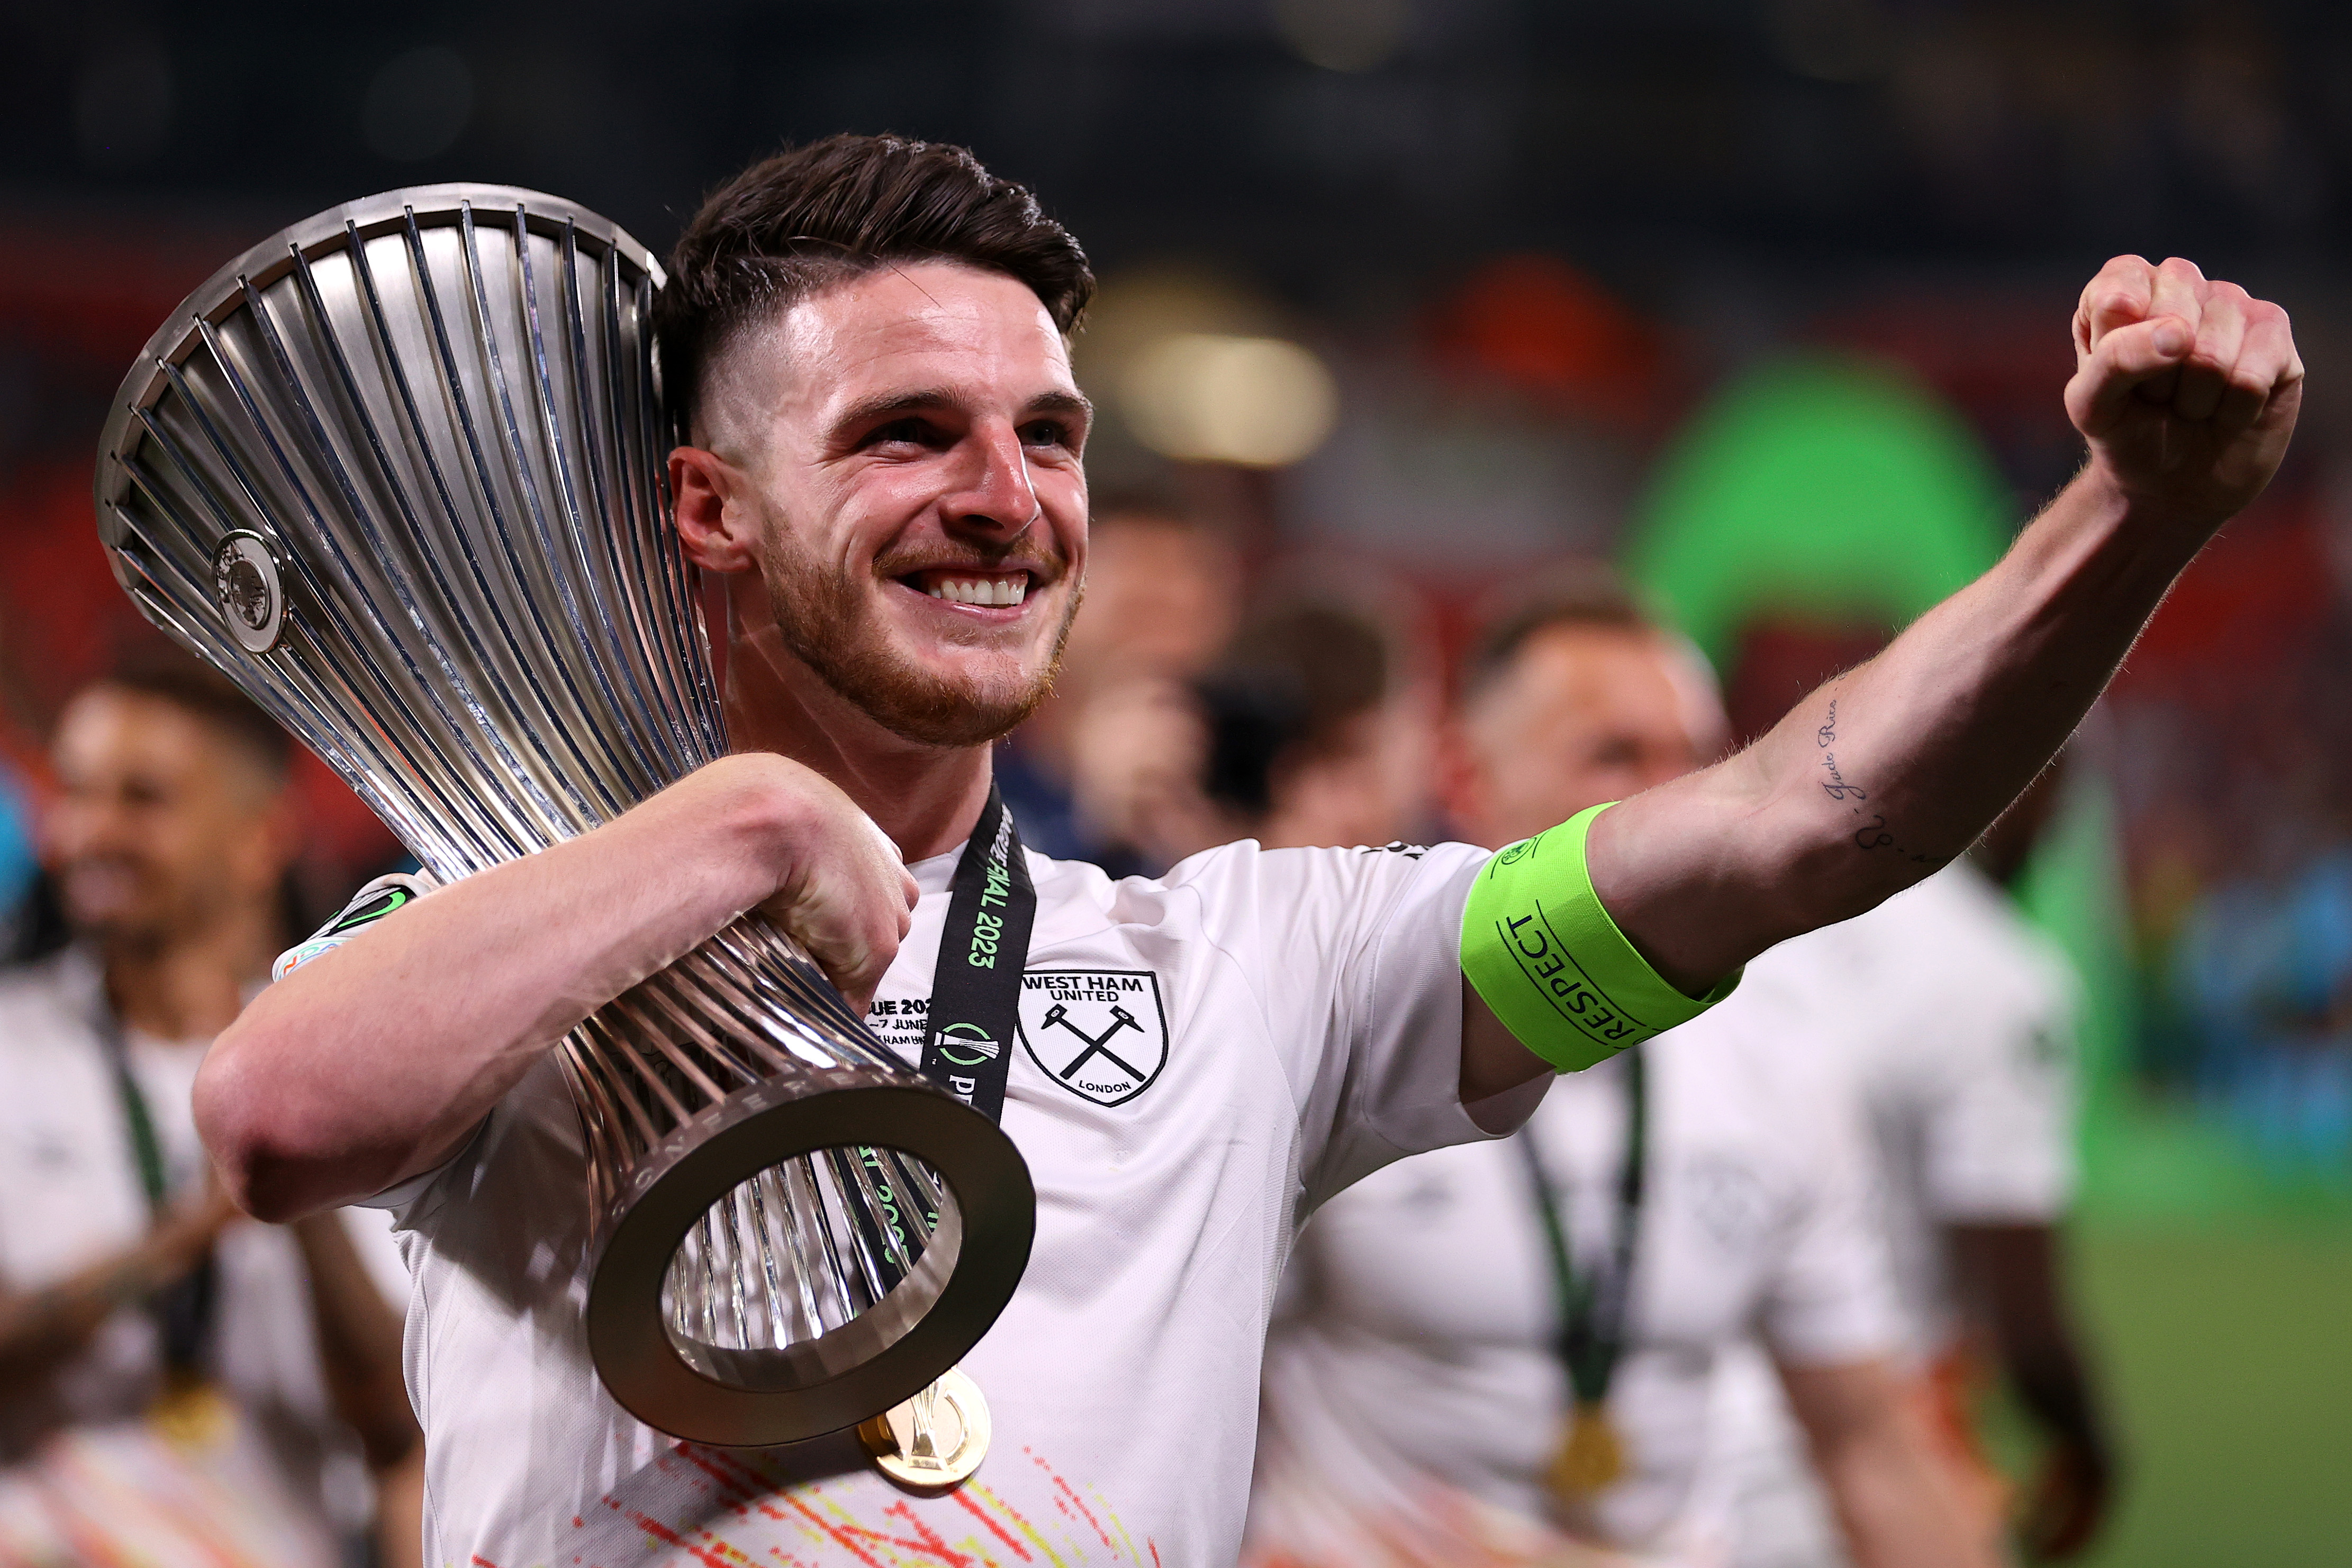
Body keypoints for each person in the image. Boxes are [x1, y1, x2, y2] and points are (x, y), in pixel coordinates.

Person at [194, 131, 2301, 1567]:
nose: (1003, 493)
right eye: (904, 433)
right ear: (708, 512)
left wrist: (2132, 522)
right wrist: (744, 823)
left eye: (1049, 434)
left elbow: (1797, 824)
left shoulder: (1254, 969)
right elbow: (279, 1116)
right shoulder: (511, 924)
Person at [1244, 570, 1988, 1568]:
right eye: (1612, 754)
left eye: (1698, 755)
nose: (1681, 798)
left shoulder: (1786, 1054)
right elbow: (1180, 1407)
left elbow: (1871, 1443)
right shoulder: (1335, 1020)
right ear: (1467, 777)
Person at [0, 658, 420, 1566]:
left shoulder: (363, 1071)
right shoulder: (7, 1048)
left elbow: (398, 1422)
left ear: (258, 835)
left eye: (141, 800)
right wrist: (188, 1234)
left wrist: (291, 1178)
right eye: (74, 791)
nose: (86, 832)